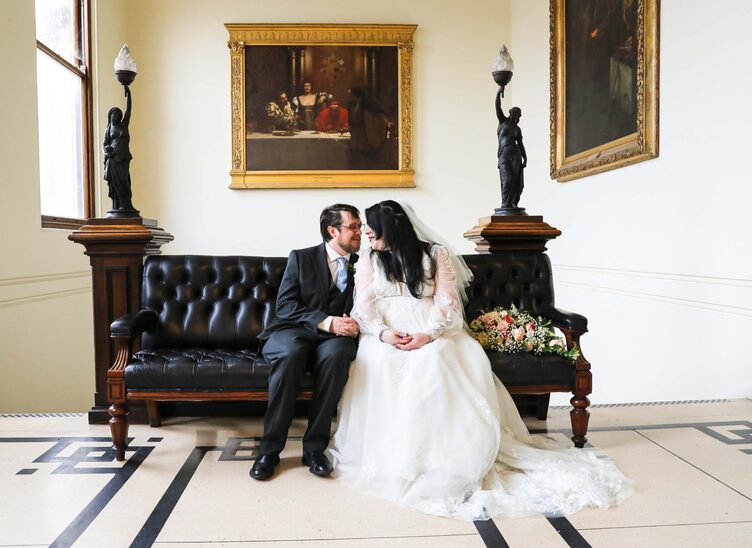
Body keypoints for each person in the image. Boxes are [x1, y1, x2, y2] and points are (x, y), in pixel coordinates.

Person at [330, 200, 633, 520]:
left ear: (392, 229)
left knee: (435, 360)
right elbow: (364, 307)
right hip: (387, 333)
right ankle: (397, 455)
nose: (367, 236)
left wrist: (427, 335)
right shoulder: (369, 258)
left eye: (372, 231)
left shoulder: (434, 254)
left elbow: (448, 306)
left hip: (433, 330)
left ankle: (447, 454)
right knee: (380, 362)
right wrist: (383, 334)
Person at [251, 204, 363, 481]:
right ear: (332, 230)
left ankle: (314, 449)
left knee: (337, 357)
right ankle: (269, 451)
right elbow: (286, 305)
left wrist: (356, 322)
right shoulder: (300, 258)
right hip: (294, 330)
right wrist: (328, 321)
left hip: (335, 339)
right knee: (290, 355)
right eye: (353, 227)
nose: (360, 232)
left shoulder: (365, 263)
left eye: (360, 226)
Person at [103, 86, 136, 213]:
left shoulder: (124, 125)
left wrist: (129, 95)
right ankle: (118, 207)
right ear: (110, 116)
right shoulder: (108, 129)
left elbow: (129, 110)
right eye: (113, 113)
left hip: (123, 159)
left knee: (125, 183)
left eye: (117, 113)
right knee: (116, 184)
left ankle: (127, 205)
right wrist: (106, 150)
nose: (115, 115)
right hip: (113, 160)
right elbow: (104, 144)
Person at [496, 86, 527, 209]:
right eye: (518, 116)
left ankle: (513, 204)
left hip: (516, 155)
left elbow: (520, 144)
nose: (519, 119)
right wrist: (498, 93)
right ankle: (505, 205)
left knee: (516, 182)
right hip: (504, 155)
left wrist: (525, 158)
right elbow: (497, 107)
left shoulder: (517, 129)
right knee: (507, 180)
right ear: (513, 114)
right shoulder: (502, 122)